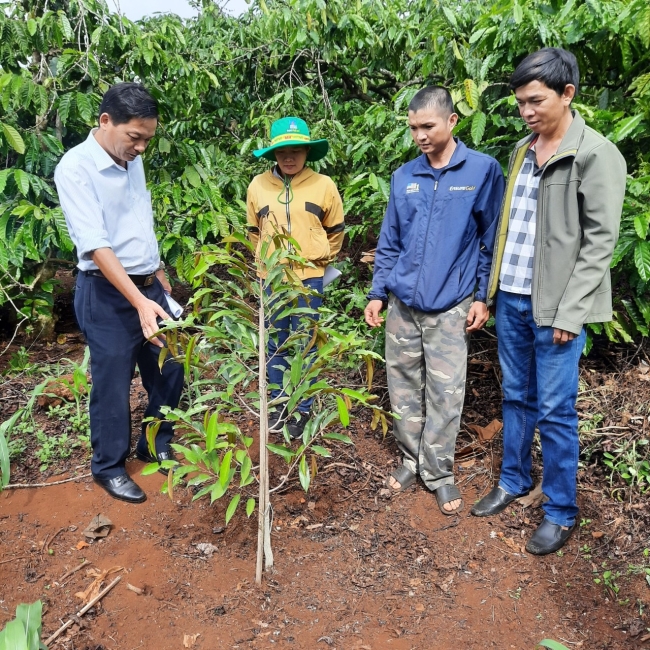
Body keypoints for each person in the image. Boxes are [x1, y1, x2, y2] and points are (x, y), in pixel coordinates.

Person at [470, 49, 626, 554]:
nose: (527, 112)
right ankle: (513, 481)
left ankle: (560, 509)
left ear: (567, 94)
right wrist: (490, 293)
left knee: (557, 410)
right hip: (513, 298)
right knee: (516, 395)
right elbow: (509, 229)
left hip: (557, 307)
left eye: (536, 101)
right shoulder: (522, 150)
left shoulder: (596, 154)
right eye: (520, 103)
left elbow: (600, 242)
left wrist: (571, 311)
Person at [364, 87, 504, 515]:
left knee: (446, 392)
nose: (420, 136)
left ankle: (439, 472)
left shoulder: (482, 170)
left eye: (428, 126)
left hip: (451, 304)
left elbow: (489, 239)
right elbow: (390, 240)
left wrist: (483, 297)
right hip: (403, 304)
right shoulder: (404, 176)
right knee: (403, 387)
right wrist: (377, 291)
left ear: (452, 122)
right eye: (413, 129)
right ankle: (410, 460)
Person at [54, 83, 185, 504]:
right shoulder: (75, 168)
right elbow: (96, 244)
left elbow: (138, 223)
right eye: (135, 137)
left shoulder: (131, 160)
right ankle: (109, 467)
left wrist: (158, 278)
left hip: (148, 286)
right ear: (105, 121)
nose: (142, 147)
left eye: (148, 138)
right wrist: (138, 300)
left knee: (171, 366)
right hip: (107, 295)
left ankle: (154, 441)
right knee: (112, 383)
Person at [247, 117, 345, 439]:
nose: (289, 158)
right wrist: (267, 262)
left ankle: (302, 408)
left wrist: (317, 260)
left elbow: (336, 232)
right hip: (272, 278)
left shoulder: (324, 186)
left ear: (307, 151)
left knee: (304, 341)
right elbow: (253, 233)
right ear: (273, 153)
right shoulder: (257, 187)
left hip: (309, 279)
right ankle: (277, 403)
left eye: (296, 150)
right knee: (275, 342)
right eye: (282, 151)